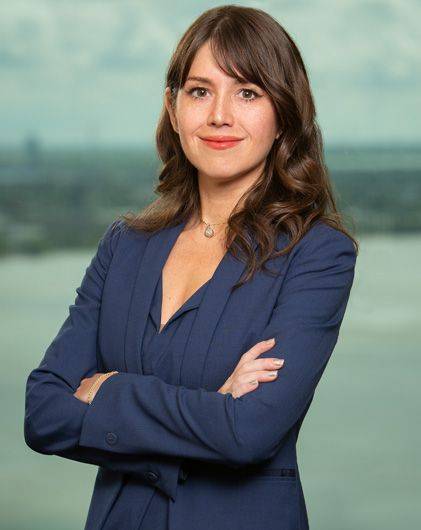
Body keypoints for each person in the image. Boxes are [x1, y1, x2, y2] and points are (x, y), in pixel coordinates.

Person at [24, 5, 359, 530]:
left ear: (283, 115)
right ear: (173, 107)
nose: (219, 115)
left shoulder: (317, 254)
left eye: (248, 93)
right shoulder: (124, 245)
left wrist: (109, 392)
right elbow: (43, 413)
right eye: (200, 91)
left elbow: (248, 432)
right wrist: (212, 408)